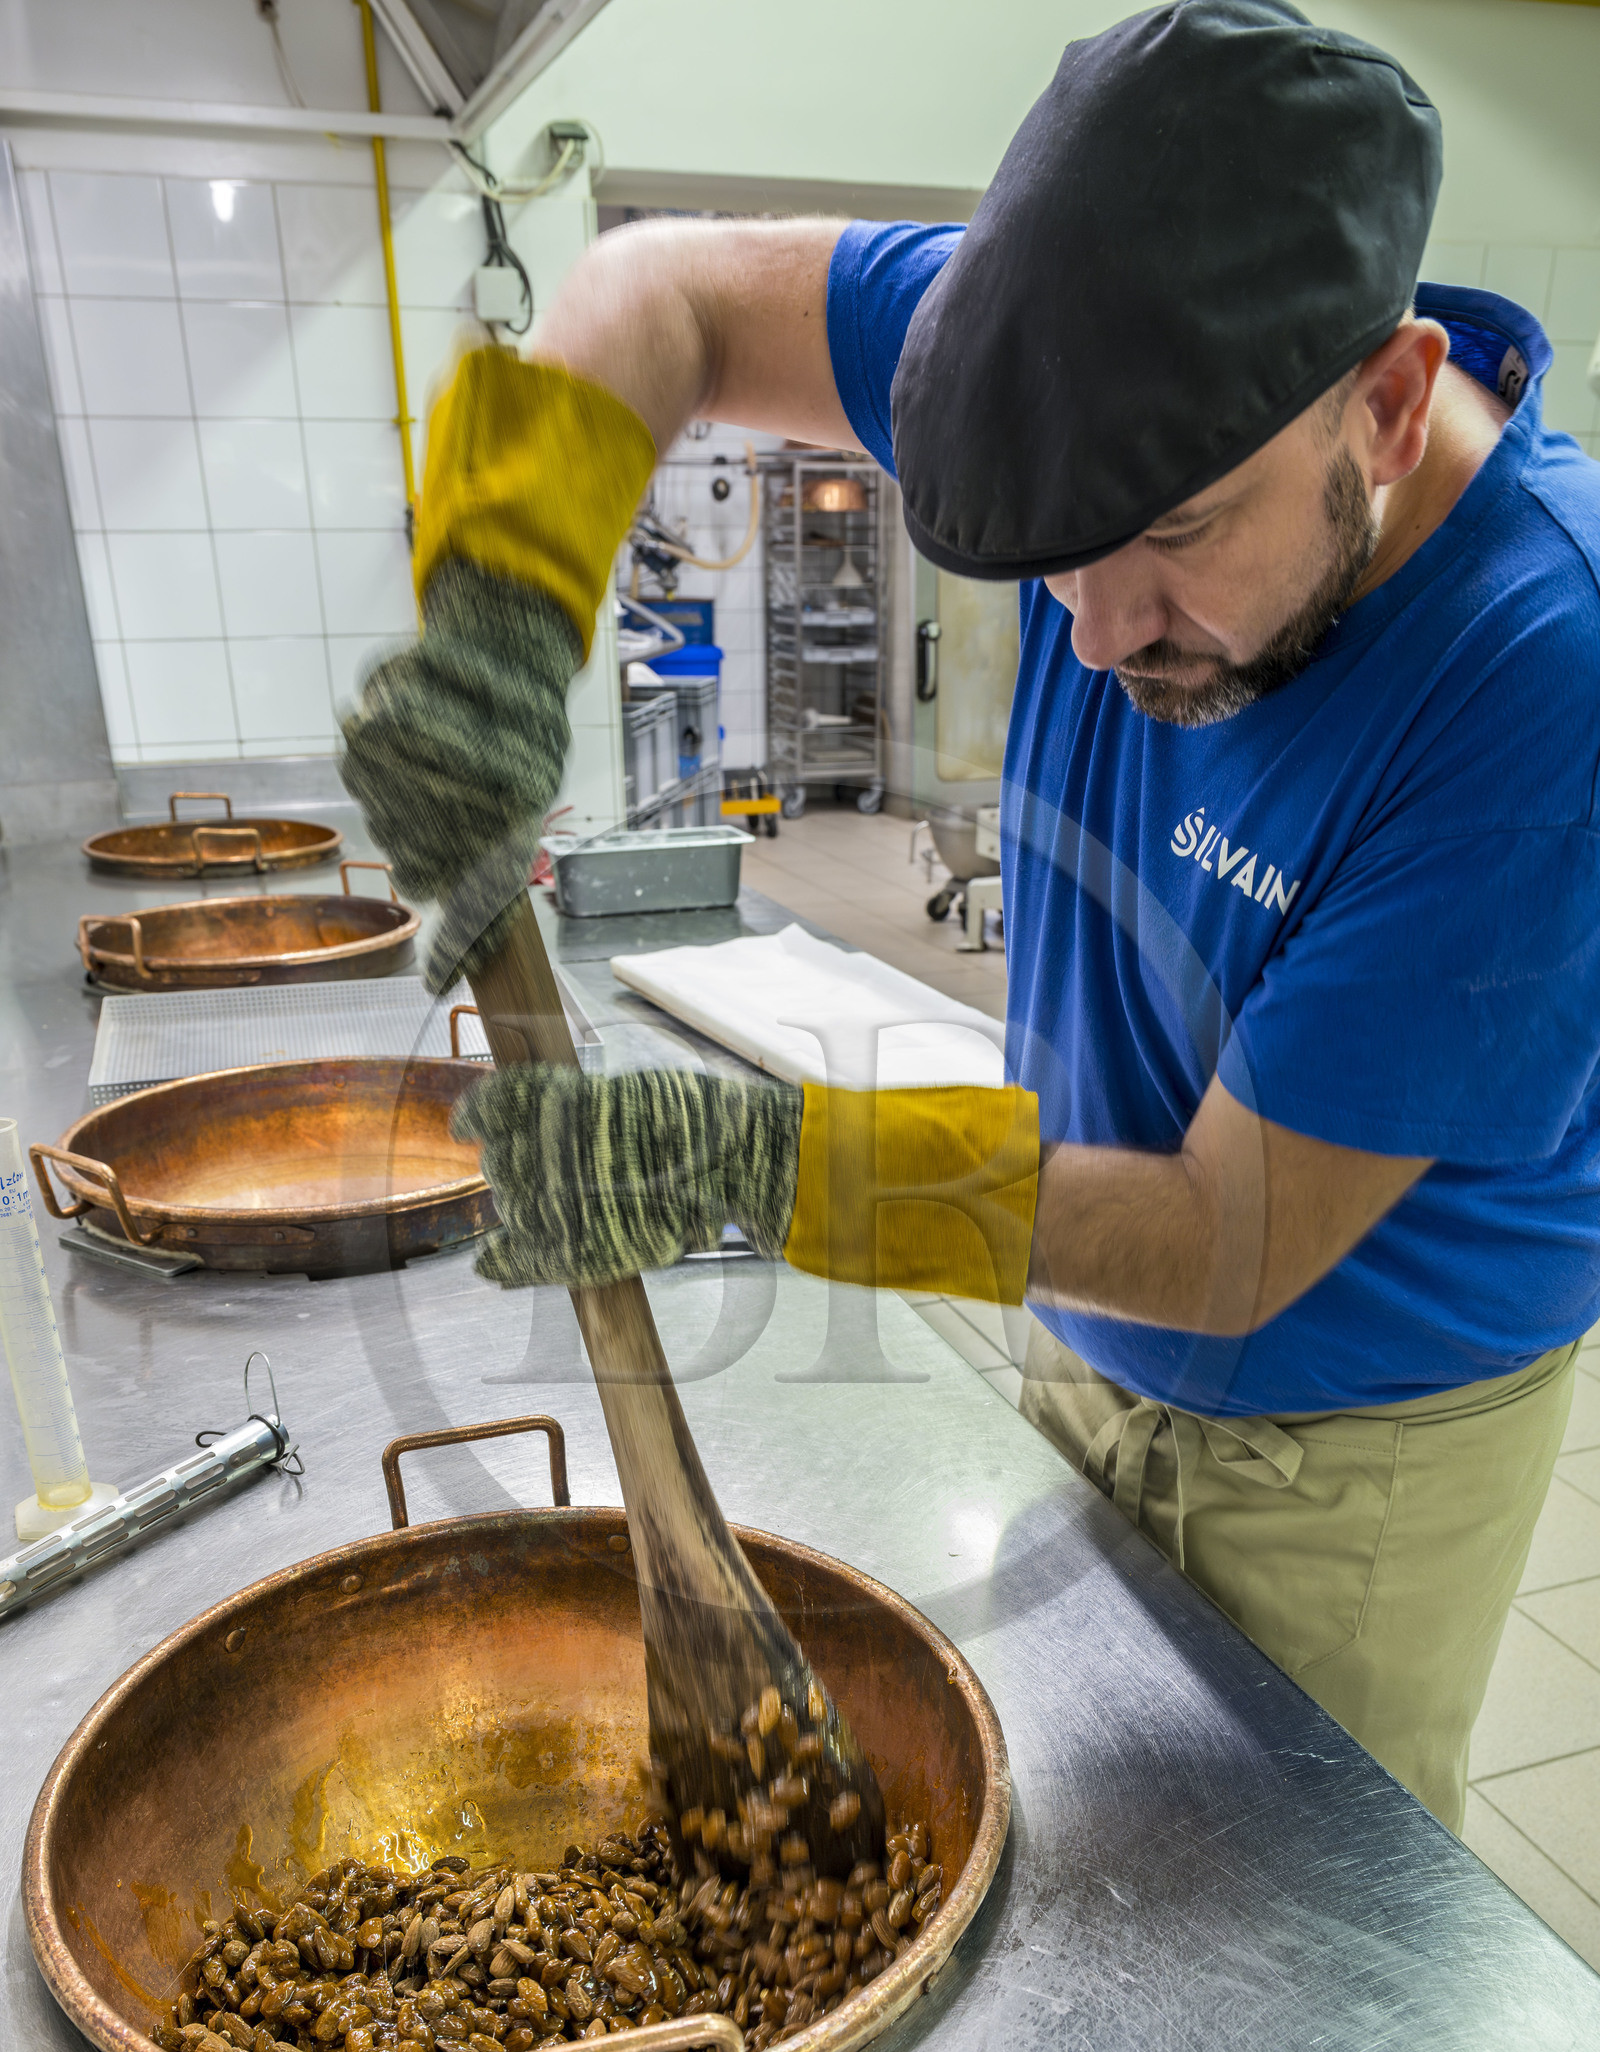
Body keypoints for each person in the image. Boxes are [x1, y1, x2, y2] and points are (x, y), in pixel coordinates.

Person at [341, 0, 1600, 1834]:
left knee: (1279, 1914)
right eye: (1045, 561)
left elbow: (1226, 1240)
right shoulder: (1056, 348)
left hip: (1359, 1437)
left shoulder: (1539, 684)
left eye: (1171, 537)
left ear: (1389, 404)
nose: (1091, 637)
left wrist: (754, 1166)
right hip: (1086, 1312)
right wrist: (505, 615)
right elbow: (659, 295)